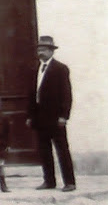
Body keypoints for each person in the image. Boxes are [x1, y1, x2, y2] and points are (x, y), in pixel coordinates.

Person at [27, 36, 76, 192]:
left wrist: (64, 116)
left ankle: (69, 182)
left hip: (55, 118)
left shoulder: (61, 69)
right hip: (40, 118)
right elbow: (32, 94)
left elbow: (66, 94)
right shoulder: (35, 69)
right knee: (44, 150)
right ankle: (49, 181)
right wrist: (30, 115)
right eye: (39, 49)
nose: (40, 52)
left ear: (51, 51)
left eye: (43, 49)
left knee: (62, 149)